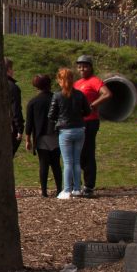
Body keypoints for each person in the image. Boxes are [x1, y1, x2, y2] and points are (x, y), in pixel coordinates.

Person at [49, 67, 92, 199]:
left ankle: (67, 190)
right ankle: (77, 189)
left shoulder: (57, 95)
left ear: (60, 80)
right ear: (72, 79)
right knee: (76, 161)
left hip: (65, 130)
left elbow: (51, 115)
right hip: (79, 129)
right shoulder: (80, 94)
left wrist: (58, 120)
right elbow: (88, 111)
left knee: (67, 162)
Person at [72, 55, 112, 198]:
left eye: (85, 66)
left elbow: (107, 94)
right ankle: (76, 184)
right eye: (80, 66)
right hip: (77, 122)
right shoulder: (77, 83)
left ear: (90, 67)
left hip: (90, 121)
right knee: (78, 153)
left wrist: (93, 105)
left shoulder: (94, 81)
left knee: (88, 152)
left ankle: (89, 186)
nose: (82, 69)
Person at [24, 74, 62, 198]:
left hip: (41, 137)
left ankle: (44, 191)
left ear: (36, 86)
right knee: (56, 163)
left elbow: (29, 123)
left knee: (43, 163)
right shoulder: (56, 98)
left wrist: (28, 139)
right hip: (56, 134)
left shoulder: (33, 102)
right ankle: (59, 189)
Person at [4, 58, 23, 154]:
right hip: (10, 127)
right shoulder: (13, 88)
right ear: (9, 70)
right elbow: (16, 109)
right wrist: (19, 128)